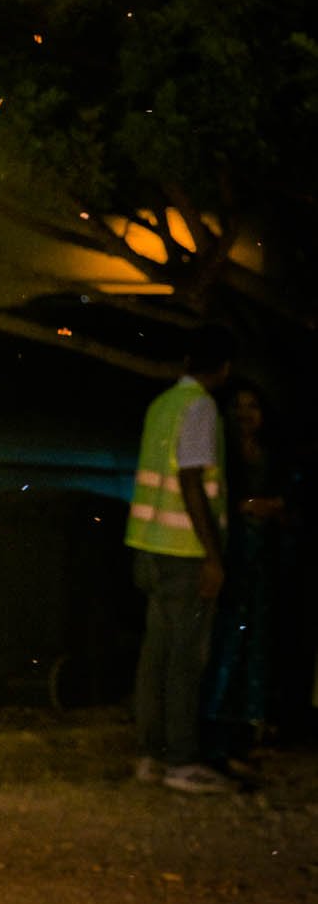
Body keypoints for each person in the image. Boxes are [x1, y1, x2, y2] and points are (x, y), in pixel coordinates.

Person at [124, 323, 237, 793]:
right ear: (224, 369)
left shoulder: (162, 404)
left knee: (157, 657)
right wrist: (214, 556)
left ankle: (149, 756)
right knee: (185, 660)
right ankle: (182, 761)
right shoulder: (200, 407)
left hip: (149, 547)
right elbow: (192, 481)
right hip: (183, 554)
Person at [204, 382, 290, 768]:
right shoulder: (224, 456)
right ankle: (216, 730)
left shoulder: (270, 455)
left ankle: (247, 728)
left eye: (252, 406)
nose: (245, 414)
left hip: (262, 559)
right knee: (230, 641)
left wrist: (274, 507)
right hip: (235, 555)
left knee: (257, 641)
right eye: (239, 406)